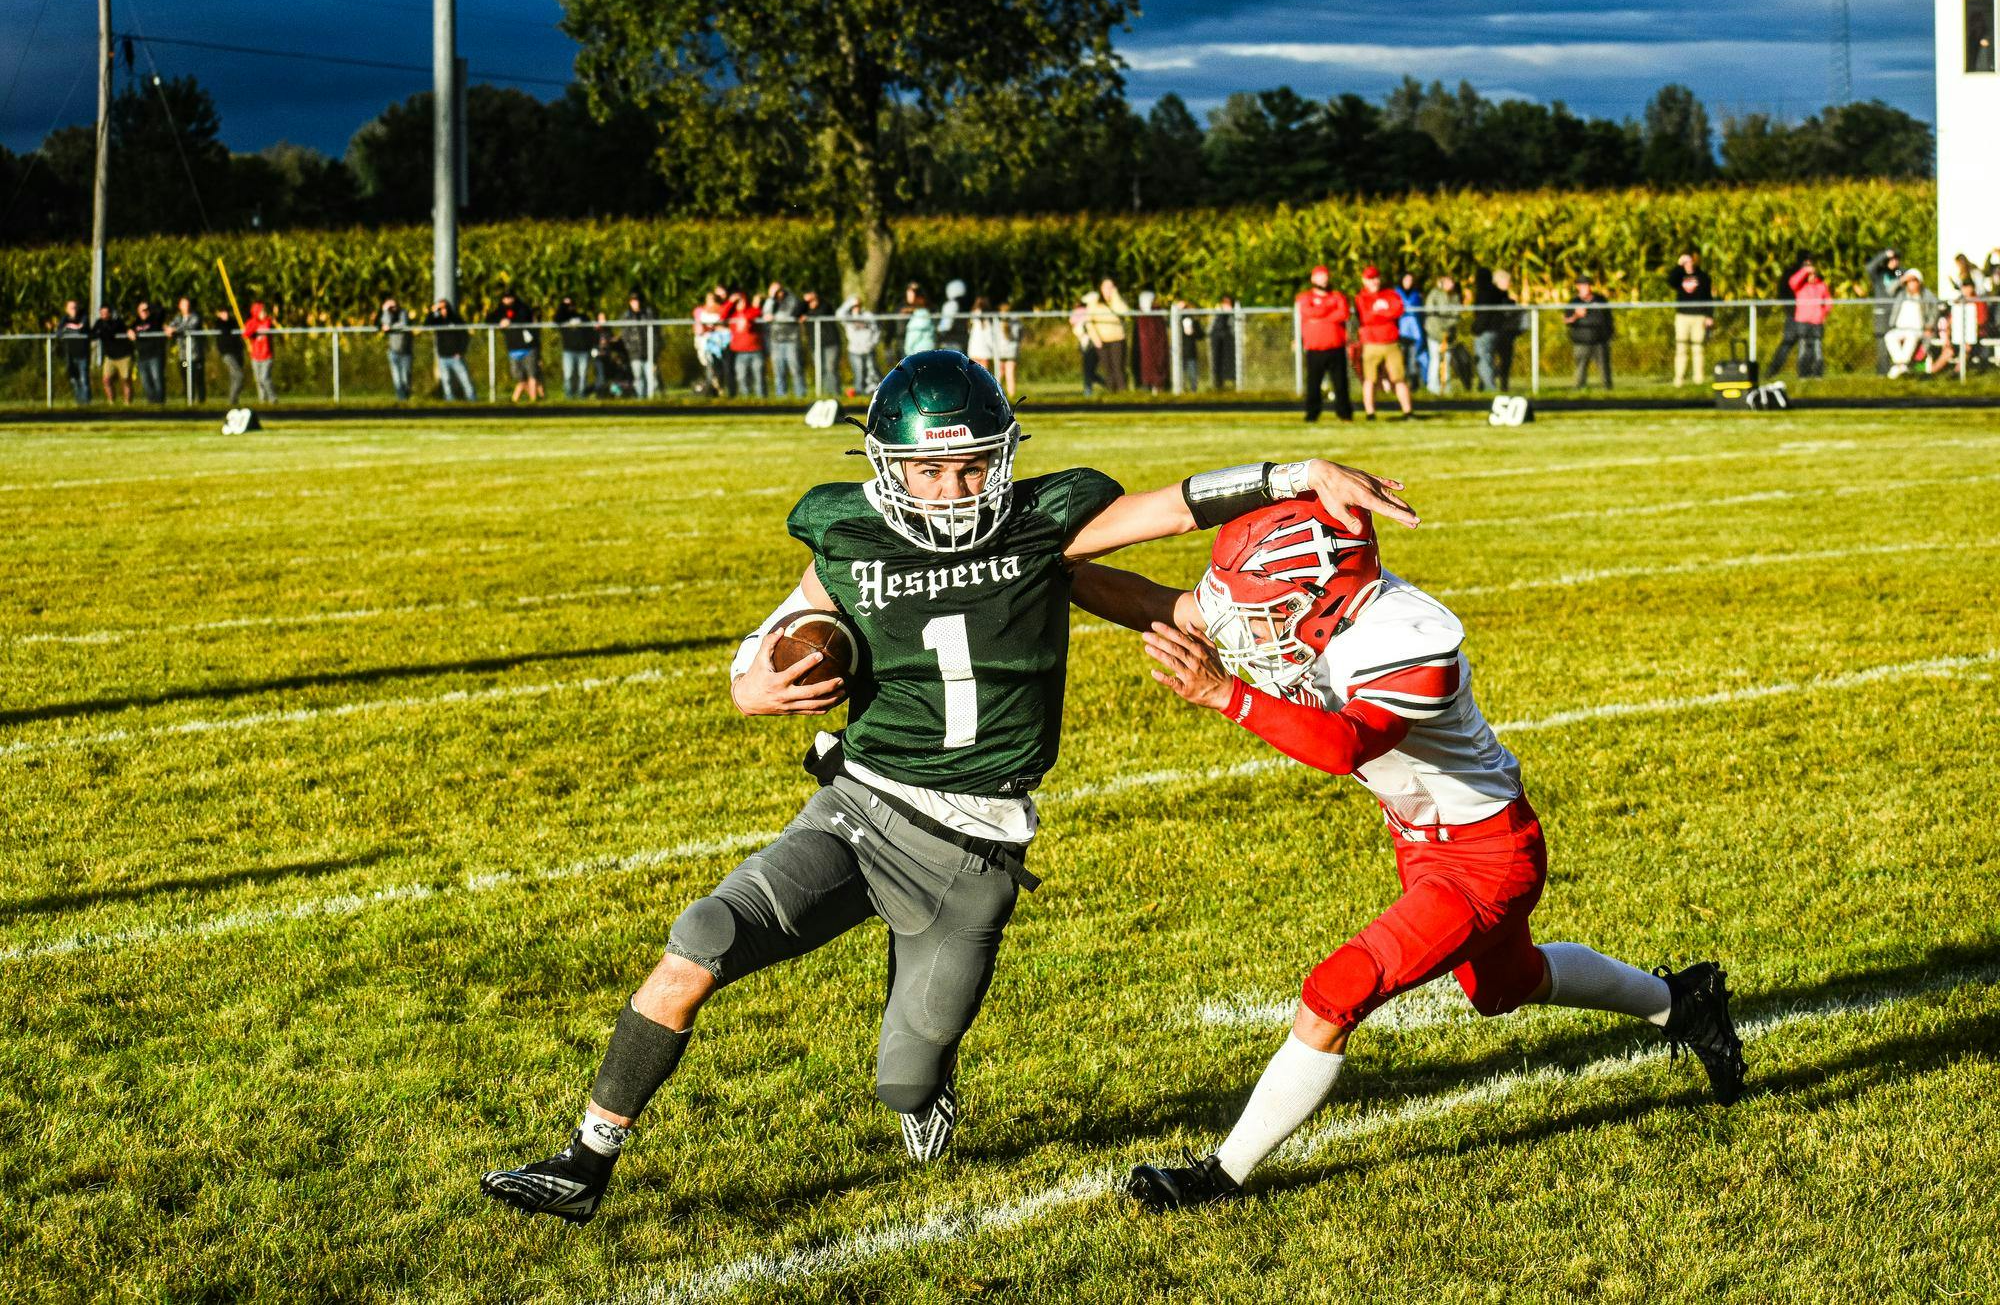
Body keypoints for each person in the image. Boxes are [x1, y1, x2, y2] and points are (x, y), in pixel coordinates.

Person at [477, 349, 1418, 1225]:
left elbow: (1173, 507)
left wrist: (1300, 473)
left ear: (1001, 458)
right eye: (928, 470)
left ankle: (926, 1080)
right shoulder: (844, 530)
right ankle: (586, 1159)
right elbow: (788, 625)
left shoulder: (1045, 520)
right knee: (702, 938)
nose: (952, 487)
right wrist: (749, 682)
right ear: (887, 466)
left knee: (904, 1077)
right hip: (859, 804)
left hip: (974, 846)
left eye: (970, 465)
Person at [1069, 497, 1744, 1212]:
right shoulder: (1307, 601)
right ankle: (1685, 1002)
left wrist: (1228, 695)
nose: (1246, 630)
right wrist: (1053, 571)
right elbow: (1162, 602)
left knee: (1335, 991)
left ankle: (1218, 1175)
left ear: (1325, 604)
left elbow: (1344, 745)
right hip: (1421, 839)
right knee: (1505, 987)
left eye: (1264, 614)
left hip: (1487, 858)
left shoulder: (1410, 644)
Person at [1356, 266, 1414, 419]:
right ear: (1364, 280)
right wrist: (1384, 314)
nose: (1374, 281)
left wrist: (1379, 314)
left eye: (1376, 278)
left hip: (1390, 342)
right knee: (1370, 379)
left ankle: (1408, 412)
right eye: (1370, 279)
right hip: (1371, 343)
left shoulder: (1390, 294)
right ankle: (1370, 413)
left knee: (1399, 378)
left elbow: (1398, 309)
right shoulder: (1361, 297)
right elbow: (1367, 317)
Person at [1295, 266, 1352, 423]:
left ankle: (1345, 414)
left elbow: (1343, 313)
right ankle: (1312, 414)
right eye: (1320, 276)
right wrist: (1328, 310)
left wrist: (1320, 316)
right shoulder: (1305, 297)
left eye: (1326, 276)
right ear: (1313, 279)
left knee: (1340, 383)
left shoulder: (1337, 296)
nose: (1324, 279)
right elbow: (1308, 312)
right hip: (1315, 348)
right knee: (1313, 384)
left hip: (1335, 347)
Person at [1768, 260, 1830, 379]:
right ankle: (1803, 374)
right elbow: (1793, 282)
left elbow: (1828, 302)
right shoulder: (1800, 286)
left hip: (1817, 321)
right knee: (1803, 347)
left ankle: (1817, 373)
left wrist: (1823, 314)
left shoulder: (1820, 285)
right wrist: (1805, 270)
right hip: (1802, 321)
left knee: (1817, 348)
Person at [1667, 252, 1715, 387]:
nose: (1688, 264)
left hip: (1699, 317)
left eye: (1690, 261)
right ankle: (1679, 379)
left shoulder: (1703, 277)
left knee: (1698, 348)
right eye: (1685, 262)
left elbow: (1708, 298)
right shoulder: (1680, 276)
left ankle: (1698, 378)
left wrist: (1709, 316)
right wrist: (1678, 266)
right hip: (1683, 316)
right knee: (1681, 348)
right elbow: (1670, 281)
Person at [488, 291, 543, 403]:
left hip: (528, 348)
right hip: (513, 349)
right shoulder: (501, 310)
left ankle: (532, 400)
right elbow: (488, 319)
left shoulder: (522, 308)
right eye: (505, 298)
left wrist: (510, 321)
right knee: (519, 378)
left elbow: (524, 317)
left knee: (532, 374)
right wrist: (500, 321)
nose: (507, 301)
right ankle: (537, 396)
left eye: (510, 298)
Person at [1884, 269, 1939, 378]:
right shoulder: (1902, 294)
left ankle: (1899, 366)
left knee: (1911, 337)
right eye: (1909, 281)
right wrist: (1902, 279)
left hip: (1917, 329)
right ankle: (1902, 366)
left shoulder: (1925, 295)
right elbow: (1889, 290)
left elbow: (1934, 310)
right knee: (1889, 336)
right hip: (1900, 328)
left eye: (1914, 280)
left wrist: (1929, 326)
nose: (1911, 283)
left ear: (1919, 282)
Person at [1563, 276, 1614, 390]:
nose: (1585, 288)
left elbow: (1609, 318)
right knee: (1580, 367)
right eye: (1582, 285)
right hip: (1581, 340)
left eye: (1587, 285)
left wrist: (1609, 334)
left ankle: (1607, 389)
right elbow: (1566, 320)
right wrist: (1577, 315)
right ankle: (1579, 388)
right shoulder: (1574, 302)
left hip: (1600, 340)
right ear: (1577, 287)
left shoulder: (1600, 300)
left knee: (1604, 367)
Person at [1864, 247, 1903, 374]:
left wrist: (1897, 267)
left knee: (1896, 344)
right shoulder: (1880, 274)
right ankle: (1882, 371)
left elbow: (1903, 276)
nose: (1893, 262)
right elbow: (1869, 268)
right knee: (1882, 345)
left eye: (1896, 259)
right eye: (1891, 260)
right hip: (1882, 314)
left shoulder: (1897, 273)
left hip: (1896, 314)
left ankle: (1897, 370)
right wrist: (1884, 254)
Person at [427, 299, 476, 400]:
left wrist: (461, 351)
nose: (443, 310)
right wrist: (432, 311)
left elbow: (464, 336)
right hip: (443, 356)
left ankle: (472, 398)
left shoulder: (456, 319)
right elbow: (426, 324)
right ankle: (450, 399)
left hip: (455, 356)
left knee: (465, 378)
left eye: (444, 307)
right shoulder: (438, 321)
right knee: (446, 380)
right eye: (440, 308)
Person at [765, 282, 807, 398]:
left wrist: (775, 318)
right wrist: (771, 298)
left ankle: (800, 395)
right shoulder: (771, 302)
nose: (776, 294)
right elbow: (766, 313)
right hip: (775, 340)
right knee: (778, 370)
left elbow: (791, 315)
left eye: (777, 291)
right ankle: (781, 396)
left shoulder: (791, 299)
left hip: (791, 340)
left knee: (795, 368)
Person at [1421, 274, 1461, 395]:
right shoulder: (1434, 294)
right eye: (1447, 282)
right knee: (1435, 358)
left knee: (1447, 359)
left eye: (1451, 282)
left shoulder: (1455, 296)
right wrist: (1439, 327)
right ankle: (1433, 386)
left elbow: (1456, 315)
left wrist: (1447, 327)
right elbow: (1431, 312)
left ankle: (1445, 386)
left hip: (1448, 334)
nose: (1450, 284)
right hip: (1434, 332)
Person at [552, 296, 594, 400]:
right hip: (569, 351)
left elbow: (590, 332)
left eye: (571, 305)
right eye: (567, 306)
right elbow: (556, 319)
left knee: (582, 374)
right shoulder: (563, 318)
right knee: (568, 374)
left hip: (583, 350)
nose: (570, 307)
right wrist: (563, 305)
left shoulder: (583, 317)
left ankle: (581, 395)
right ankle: (569, 396)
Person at [837, 294, 882, 393]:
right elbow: (839, 314)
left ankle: (874, 392)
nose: (856, 308)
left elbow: (877, 330)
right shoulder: (848, 318)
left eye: (857, 306)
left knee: (872, 371)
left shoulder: (867, 316)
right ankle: (859, 391)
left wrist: (872, 343)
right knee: (859, 372)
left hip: (868, 349)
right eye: (854, 306)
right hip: (855, 350)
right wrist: (851, 301)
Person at [727, 288, 767, 396]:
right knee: (741, 377)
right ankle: (746, 401)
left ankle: (762, 400)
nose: (740, 303)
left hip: (755, 350)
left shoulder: (751, 310)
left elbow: (757, 312)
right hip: (739, 352)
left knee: (758, 376)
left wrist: (745, 317)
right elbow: (722, 315)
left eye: (741, 300)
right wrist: (730, 301)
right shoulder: (733, 315)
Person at [92, 304, 134, 405]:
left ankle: (127, 402)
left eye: (106, 313)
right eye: (102, 313)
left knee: (125, 380)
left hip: (123, 355)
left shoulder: (117, 321)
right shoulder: (99, 322)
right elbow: (93, 333)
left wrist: (101, 332)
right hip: (110, 356)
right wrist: (98, 333)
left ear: (110, 313)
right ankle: (111, 402)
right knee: (106, 380)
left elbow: (110, 332)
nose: (104, 315)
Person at [130, 300, 170, 404]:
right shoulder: (136, 323)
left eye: (146, 309)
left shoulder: (155, 320)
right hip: (142, 356)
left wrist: (150, 308)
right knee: (145, 381)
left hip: (155, 355)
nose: (144, 312)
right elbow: (130, 329)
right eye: (141, 310)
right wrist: (129, 331)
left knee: (157, 378)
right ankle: (152, 402)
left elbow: (162, 311)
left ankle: (160, 402)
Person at [1093, 279, 1130, 391]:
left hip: (1117, 339)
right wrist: (1096, 338)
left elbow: (1124, 312)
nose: (1108, 290)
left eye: (1111, 287)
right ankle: (1110, 393)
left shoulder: (1118, 301)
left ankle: (1123, 392)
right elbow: (1090, 322)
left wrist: (1115, 297)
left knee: (1118, 368)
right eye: (1105, 287)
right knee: (1108, 369)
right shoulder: (1095, 303)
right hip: (1102, 340)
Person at [620, 293, 658, 399]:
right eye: (633, 301)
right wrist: (630, 348)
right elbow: (625, 335)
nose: (636, 303)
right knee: (638, 377)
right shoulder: (626, 316)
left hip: (648, 352)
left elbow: (654, 334)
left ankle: (651, 400)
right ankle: (640, 400)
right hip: (635, 353)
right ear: (630, 303)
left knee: (652, 378)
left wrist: (654, 351)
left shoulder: (647, 314)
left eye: (637, 300)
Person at [801, 289, 840, 392]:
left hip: (830, 342)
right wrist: (804, 303)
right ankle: (824, 392)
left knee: (830, 368)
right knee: (820, 369)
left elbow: (821, 313)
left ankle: (834, 393)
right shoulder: (804, 308)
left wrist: (808, 316)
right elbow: (795, 313)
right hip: (815, 343)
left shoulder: (825, 305)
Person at [694, 289, 731, 396]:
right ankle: (712, 390)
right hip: (707, 344)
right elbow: (700, 326)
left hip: (719, 344)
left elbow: (720, 321)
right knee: (710, 368)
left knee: (721, 368)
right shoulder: (701, 311)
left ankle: (722, 389)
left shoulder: (720, 310)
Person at [170, 296, 205, 403]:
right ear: (179, 306)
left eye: (187, 304)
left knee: (198, 377)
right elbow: (171, 327)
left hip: (195, 356)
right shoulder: (178, 318)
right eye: (183, 304)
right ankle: (189, 399)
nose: (186, 306)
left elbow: (190, 326)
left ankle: (201, 401)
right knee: (185, 375)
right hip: (184, 356)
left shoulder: (195, 316)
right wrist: (171, 329)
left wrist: (175, 329)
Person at [379, 297, 415, 401]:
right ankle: (401, 400)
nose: (392, 308)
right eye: (390, 306)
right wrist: (386, 311)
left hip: (406, 352)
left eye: (393, 305)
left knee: (406, 377)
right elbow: (385, 323)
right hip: (393, 352)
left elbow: (404, 324)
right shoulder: (387, 315)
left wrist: (391, 327)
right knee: (397, 379)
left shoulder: (403, 312)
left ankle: (406, 398)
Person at [1135, 289, 1170, 393]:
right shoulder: (1142, 315)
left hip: (1156, 345)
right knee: (1148, 366)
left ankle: (1157, 387)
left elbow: (1159, 331)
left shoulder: (1156, 313)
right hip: (1145, 346)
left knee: (1157, 364)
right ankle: (1149, 386)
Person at [57, 300, 93, 404]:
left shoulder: (83, 317)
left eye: (75, 307)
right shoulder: (64, 319)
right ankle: (79, 402)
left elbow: (80, 329)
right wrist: (68, 328)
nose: (74, 310)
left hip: (82, 354)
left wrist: (68, 328)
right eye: (71, 307)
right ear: (66, 309)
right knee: (74, 380)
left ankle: (86, 403)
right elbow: (59, 332)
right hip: (70, 354)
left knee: (84, 379)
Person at [1394, 272, 1424, 387]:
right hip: (1401, 332)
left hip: (1414, 333)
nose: (1408, 283)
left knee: (1413, 359)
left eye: (1411, 280)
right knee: (1401, 358)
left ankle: (1413, 384)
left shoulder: (1416, 295)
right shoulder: (1396, 293)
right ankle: (1400, 383)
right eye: (1406, 280)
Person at [212, 306, 246, 406]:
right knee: (239, 376)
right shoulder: (219, 323)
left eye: (226, 312)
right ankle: (232, 399)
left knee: (234, 376)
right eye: (222, 312)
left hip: (237, 352)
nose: (225, 314)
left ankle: (233, 401)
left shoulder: (233, 322)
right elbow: (224, 329)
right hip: (227, 353)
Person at [1072, 294, 1102, 396]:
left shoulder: (1091, 312)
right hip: (1085, 343)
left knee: (1088, 370)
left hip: (1091, 343)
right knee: (1088, 370)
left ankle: (1091, 389)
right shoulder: (1085, 312)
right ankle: (1090, 388)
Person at [991, 302, 1021, 398]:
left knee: (999, 375)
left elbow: (993, 337)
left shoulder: (997, 322)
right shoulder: (1016, 323)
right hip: (1011, 351)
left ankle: (997, 394)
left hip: (1000, 352)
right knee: (1010, 374)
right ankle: (1012, 396)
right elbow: (1019, 336)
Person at [900, 284, 937, 360]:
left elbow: (914, 336)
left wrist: (907, 350)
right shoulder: (922, 314)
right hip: (922, 352)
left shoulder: (921, 315)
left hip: (919, 353)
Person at [1209, 295, 1238, 391]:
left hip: (1228, 342)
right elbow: (1211, 326)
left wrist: (1230, 312)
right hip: (1217, 341)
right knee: (1216, 362)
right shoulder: (1217, 312)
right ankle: (1217, 383)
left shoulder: (1233, 313)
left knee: (1229, 362)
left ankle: (1232, 383)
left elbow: (1234, 326)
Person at [1175, 298, 1203, 394]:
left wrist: (1193, 332)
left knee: (1192, 372)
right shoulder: (1177, 320)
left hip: (1190, 350)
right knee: (1179, 373)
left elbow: (1200, 335)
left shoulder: (1193, 320)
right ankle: (1180, 390)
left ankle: (1193, 390)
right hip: (1178, 350)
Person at [937, 278, 969, 352]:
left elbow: (945, 325)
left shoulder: (951, 304)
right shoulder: (964, 304)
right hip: (961, 339)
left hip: (950, 341)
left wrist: (939, 332)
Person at [966, 297, 995, 373]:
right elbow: (989, 335)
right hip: (984, 347)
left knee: (973, 371)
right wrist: (992, 347)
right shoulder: (987, 318)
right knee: (984, 373)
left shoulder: (972, 316)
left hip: (974, 346)